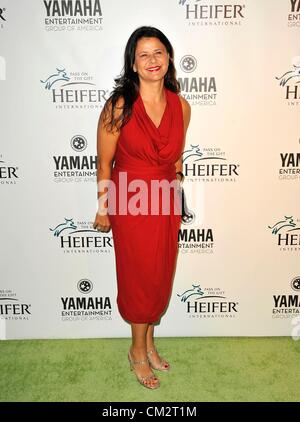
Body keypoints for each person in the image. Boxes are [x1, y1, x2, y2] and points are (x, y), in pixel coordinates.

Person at [93, 26, 191, 390]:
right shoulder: (120, 105)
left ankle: (149, 342)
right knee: (139, 278)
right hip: (131, 200)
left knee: (160, 274)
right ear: (133, 63)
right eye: (144, 55)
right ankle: (136, 350)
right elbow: (104, 164)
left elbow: (177, 154)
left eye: (159, 52)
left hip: (165, 199)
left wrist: (177, 183)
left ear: (168, 58)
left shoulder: (181, 105)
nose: (153, 60)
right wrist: (104, 208)